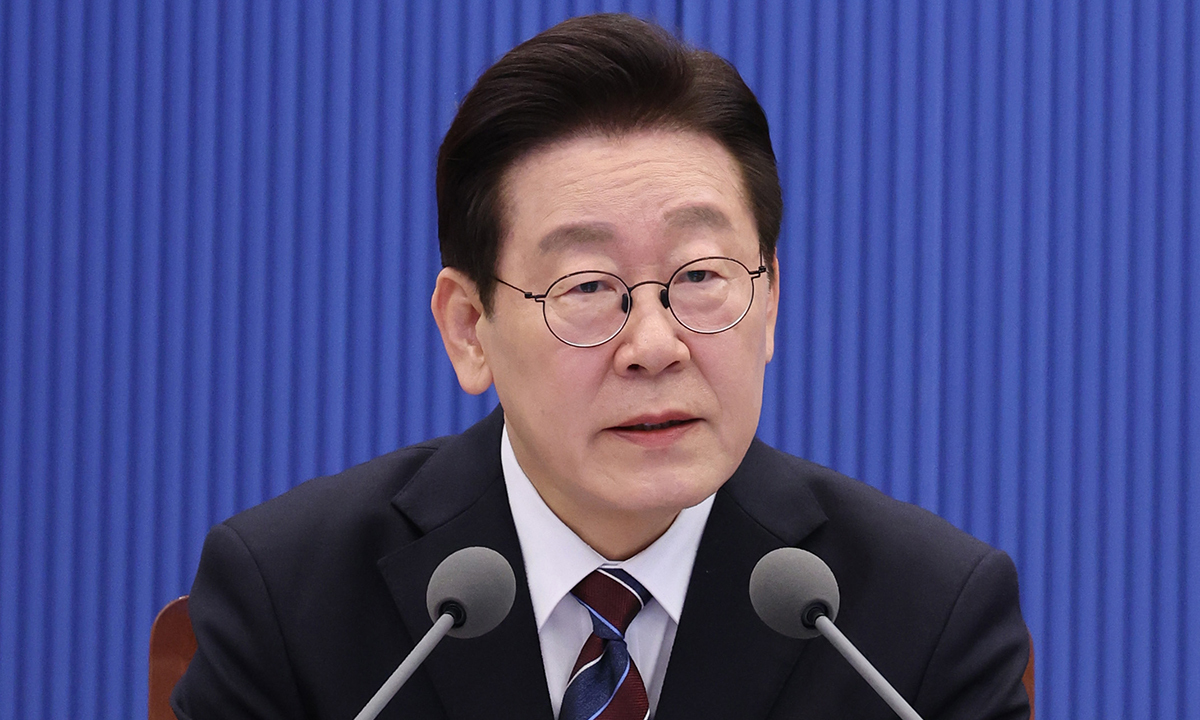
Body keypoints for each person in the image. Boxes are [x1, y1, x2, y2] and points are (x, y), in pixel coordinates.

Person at [172, 13, 1032, 720]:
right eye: (587, 287)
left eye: (701, 277)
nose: (654, 345)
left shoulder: (922, 620)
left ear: (770, 301)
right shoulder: (290, 601)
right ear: (469, 328)